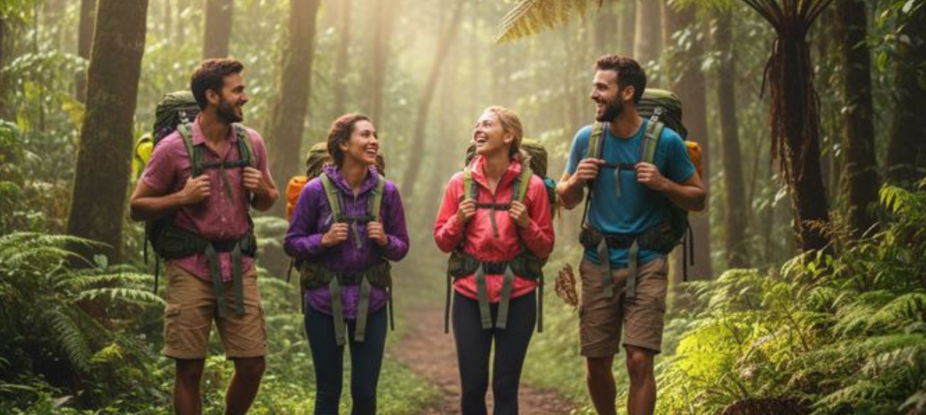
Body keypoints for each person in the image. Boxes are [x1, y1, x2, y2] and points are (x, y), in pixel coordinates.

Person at [556, 55, 706, 415]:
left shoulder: (666, 143)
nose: (594, 94)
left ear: (627, 92)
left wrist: (663, 183)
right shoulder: (586, 139)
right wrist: (577, 179)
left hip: (648, 261)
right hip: (597, 262)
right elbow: (566, 197)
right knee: (596, 361)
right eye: (595, 86)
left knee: (639, 360)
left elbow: (698, 197)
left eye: (602, 88)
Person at [129, 58, 280, 415]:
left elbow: (268, 200)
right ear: (212, 96)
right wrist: (181, 197)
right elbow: (136, 206)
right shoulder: (173, 150)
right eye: (237, 90)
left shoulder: (251, 142)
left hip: (239, 266)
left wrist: (261, 188)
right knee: (190, 368)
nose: (245, 96)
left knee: (252, 363)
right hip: (190, 267)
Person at [284, 113, 410, 415]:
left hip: (373, 302)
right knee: (328, 392)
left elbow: (402, 246)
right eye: (365, 135)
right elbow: (292, 242)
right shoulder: (315, 191)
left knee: (365, 392)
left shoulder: (387, 191)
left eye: (375, 135)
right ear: (343, 144)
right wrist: (322, 241)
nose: (373, 141)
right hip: (324, 301)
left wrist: (385, 240)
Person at [434, 106, 555, 415]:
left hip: (519, 295)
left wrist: (527, 224)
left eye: (487, 124)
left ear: (509, 135)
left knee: (505, 386)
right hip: (469, 295)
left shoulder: (534, 187)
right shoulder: (458, 184)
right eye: (476, 125)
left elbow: (544, 248)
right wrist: (458, 220)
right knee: (473, 387)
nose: (478, 129)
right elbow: (442, 240)